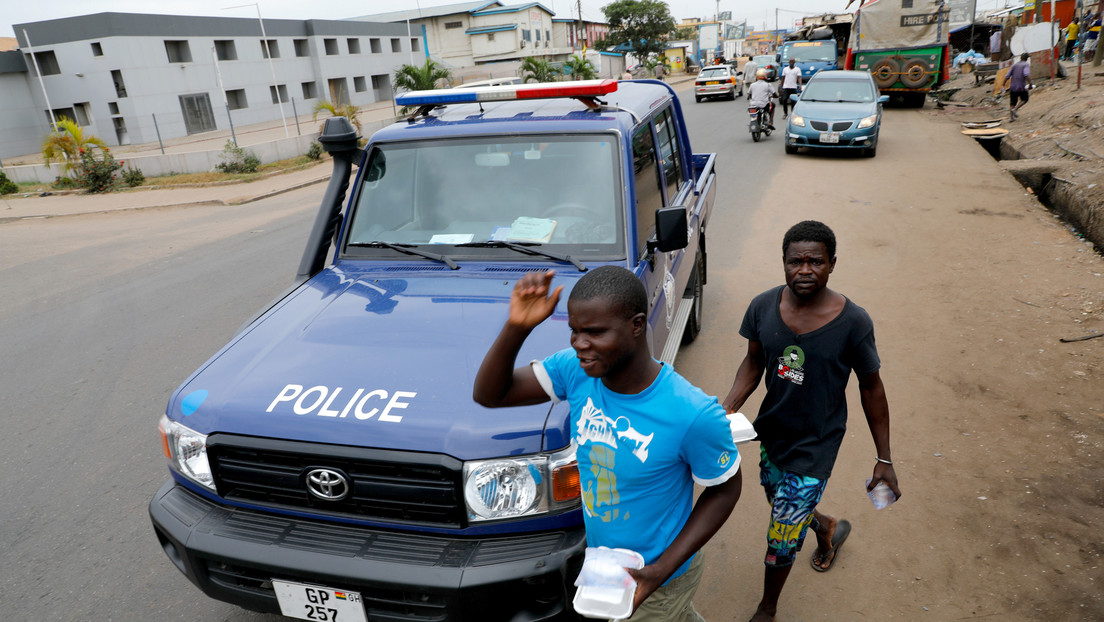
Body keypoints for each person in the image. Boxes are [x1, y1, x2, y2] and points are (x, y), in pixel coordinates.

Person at [474, 266, 743, 621]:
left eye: (595, 332)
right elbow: (491, 394)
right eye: (575, 331)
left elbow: (725, 489)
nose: (579, 344)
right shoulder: (576, 371)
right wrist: (517, 327)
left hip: (658, 579)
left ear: (636, 324)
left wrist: (660, 571)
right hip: (606, 564)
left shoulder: (691, 413)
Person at [721, 221, 901, 622]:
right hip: (771, 431)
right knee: (776, 494)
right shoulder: (763, 307)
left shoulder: (853, 322)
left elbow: (871, 387)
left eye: (815, 261)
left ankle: (767, 610)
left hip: (817, 442)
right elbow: (753, 362)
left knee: (782, 533)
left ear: (832, 264)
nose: (805, 269)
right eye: (795, 261)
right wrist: (728, 408)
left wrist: (884, 458)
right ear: (783, 264)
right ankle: (824, 527)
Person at [1003, 53, 1032, 121]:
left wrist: (1003, 84)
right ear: (1026, 58)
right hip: (1021, 87)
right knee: (1025, 99)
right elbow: (1026, 74)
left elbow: (1007, 76)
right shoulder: (1025, 65)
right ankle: (1015, 109)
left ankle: (1011, 118)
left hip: (1013, 87)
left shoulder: (1014, 65)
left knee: (1012, 102)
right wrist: (1030, 83)